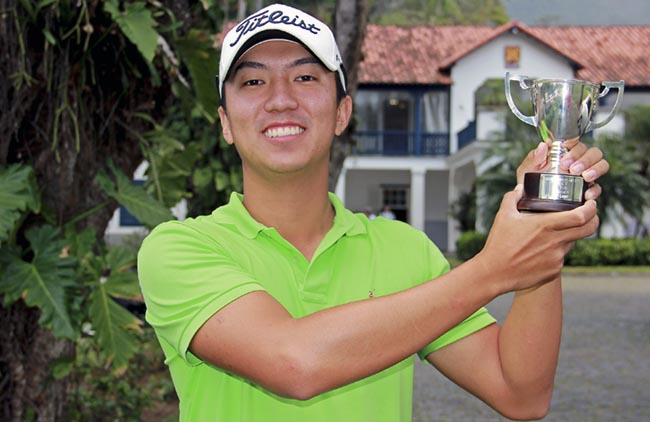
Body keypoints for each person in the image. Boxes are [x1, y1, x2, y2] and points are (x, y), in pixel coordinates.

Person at [137, 4, 607, 421]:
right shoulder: (179, 249)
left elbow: (520, 394)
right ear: (225, 123)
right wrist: (493, 269)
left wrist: (546, 232)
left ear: (342, 112)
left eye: (305, 77)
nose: (280, 98)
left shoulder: (404, 251)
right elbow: (294, 363)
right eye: (254, 81)